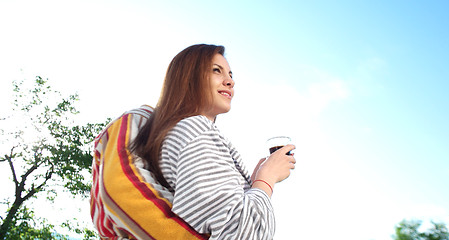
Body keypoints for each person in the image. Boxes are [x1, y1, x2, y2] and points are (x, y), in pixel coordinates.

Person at [90, 44, 296, 240]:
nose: (230, 81)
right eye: (217, 71)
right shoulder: (194, 129)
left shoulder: (178, 132)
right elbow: (240, 234)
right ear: (188, 78)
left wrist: (249, 187)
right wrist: (267, 179)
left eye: (231, 75)